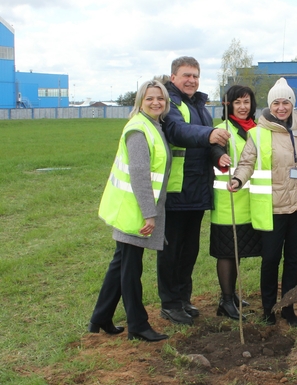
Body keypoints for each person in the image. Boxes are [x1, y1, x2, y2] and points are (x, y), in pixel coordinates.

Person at [90, 80, 171, 342]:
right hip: (134, 210)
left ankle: (100, 317)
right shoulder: (139, 129)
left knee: (120, 264)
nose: (156, 102)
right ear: (140, 101)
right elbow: (138, 174)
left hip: (134, 207)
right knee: (130, 269)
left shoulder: (153, 125)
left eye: (160, 98)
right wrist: (150, 213)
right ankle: (138, 324)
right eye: (150, 99)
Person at [228, 78, 297, 327]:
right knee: (271, 259)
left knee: (294, 260)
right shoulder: (258, 133)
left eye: (286, 102)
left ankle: (288, 308)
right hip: (274, 207)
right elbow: (246, 163)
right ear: (270, 105)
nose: (281, 107)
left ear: (292, 104)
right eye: (276, 102)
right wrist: (237, 180)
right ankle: (268, 309)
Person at [157, 56, 231, 326]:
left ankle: (183, 299)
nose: (191, 80)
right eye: (186, 75)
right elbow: (177, 131)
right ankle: (169, 303)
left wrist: (218, 155)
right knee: (171, 250)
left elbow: (207, 139)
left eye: (195, 76)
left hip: (197, 189)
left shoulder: (198, 104)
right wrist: (209, 135)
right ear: (173, 77)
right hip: (176, 189)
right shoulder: (170, 103)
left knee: (189, 250)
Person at [209, 86, 262, 320]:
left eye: (246, 102)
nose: (242, 106)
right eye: (237, 102)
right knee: (227, 253)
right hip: (227, 201)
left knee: (237, 251)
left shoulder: (258, 129)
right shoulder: (222, 130)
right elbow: (212, 152)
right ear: (227, 104)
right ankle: (226, 300)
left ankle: (231, 296)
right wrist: (219, 155)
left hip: (250, 202)